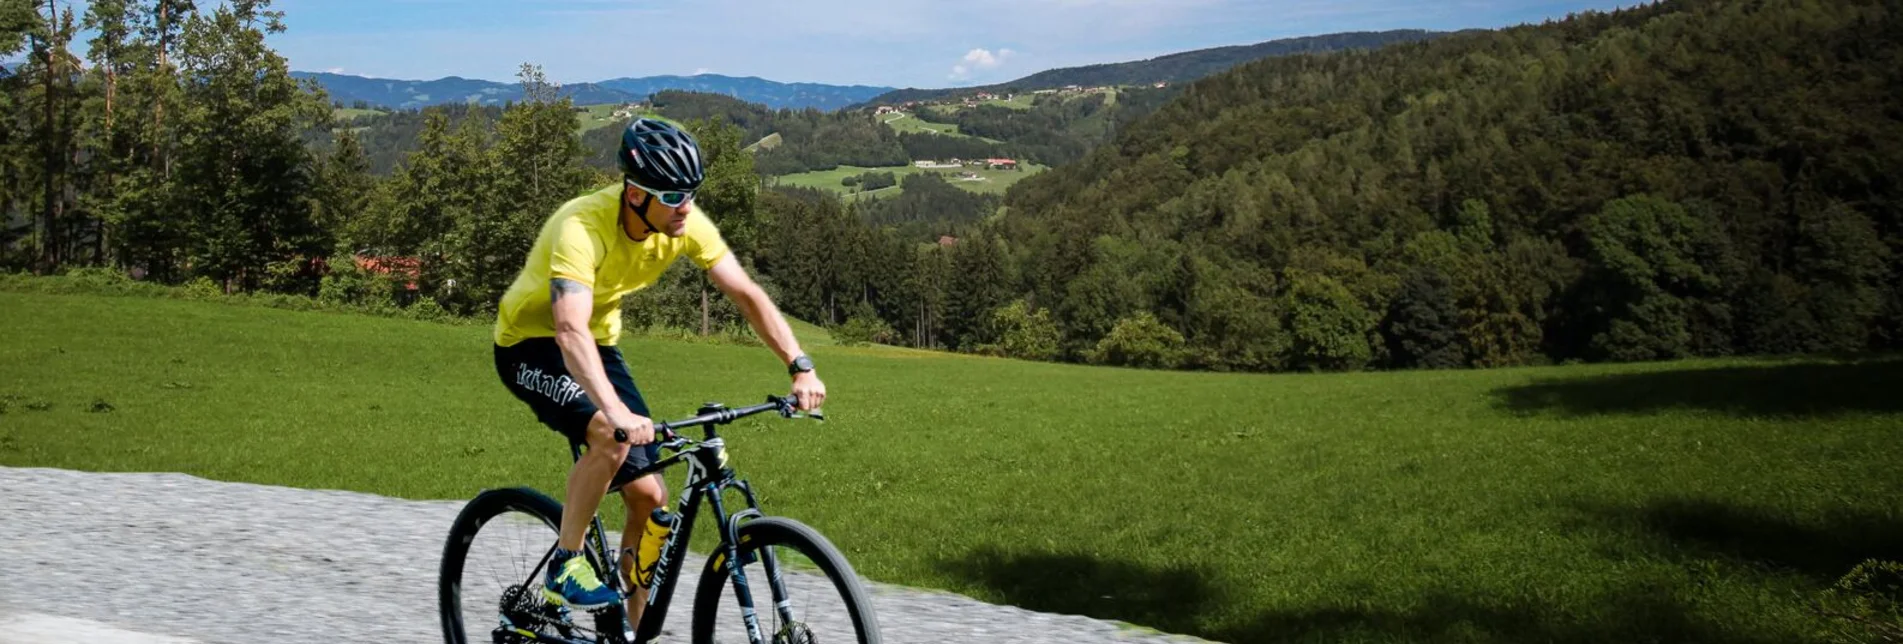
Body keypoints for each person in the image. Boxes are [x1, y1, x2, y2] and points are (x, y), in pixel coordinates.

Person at [490, 118, 826, 624]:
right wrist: (614, 410)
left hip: (597, 342)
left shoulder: (684, 225)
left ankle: (630, 626)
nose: (685, 205)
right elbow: (567, 329)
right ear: (635, 194)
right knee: (610, 433)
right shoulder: (581, 226)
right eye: (671, 195)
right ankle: (566, 562)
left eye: (690, 192)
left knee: (648, 497)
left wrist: (799, 365)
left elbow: (747, 294)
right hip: (530, 346)